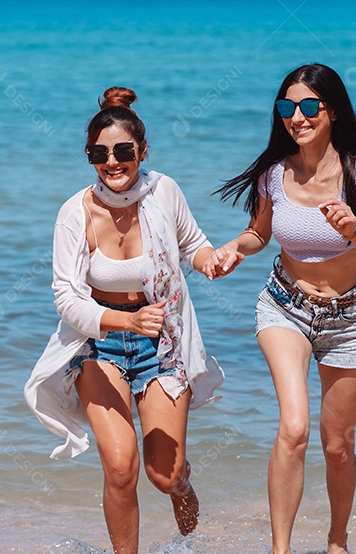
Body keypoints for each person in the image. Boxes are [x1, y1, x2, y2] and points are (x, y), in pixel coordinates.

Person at [205, 63, 356, 554]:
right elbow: (259, 234)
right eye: (286, 107)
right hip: (285, 307)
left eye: (309, 106)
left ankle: (337, 542)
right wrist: (234, 248)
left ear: (332, 111)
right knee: (294, 429)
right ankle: (281, 549)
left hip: (349, 319)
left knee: (337, 446)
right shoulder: (274, 173)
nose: (296, 117)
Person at [24, 86, 225, 554]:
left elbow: (193, 245)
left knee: (165, 476)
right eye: (99, 154)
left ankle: (187, 510)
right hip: (98, 345)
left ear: (142, 150)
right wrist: (124, 322)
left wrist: (213, 261)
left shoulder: (164, 192)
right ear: (89, 157)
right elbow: (66, 298)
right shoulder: (74, 213)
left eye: (123, 151)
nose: (112, 162)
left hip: (162, 342)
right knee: (120, 468)